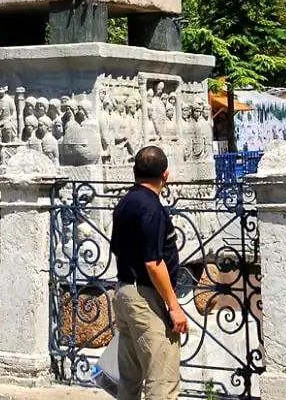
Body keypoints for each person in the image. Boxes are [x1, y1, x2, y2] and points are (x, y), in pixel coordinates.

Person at [111, 146, 188, 400]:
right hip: (145, 297)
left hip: (124, 290)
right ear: (165, 175)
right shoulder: (151, 207)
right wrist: (174, 306)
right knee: (161, 378)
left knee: (129, 380)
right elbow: (153, 263)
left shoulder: (124, 203)